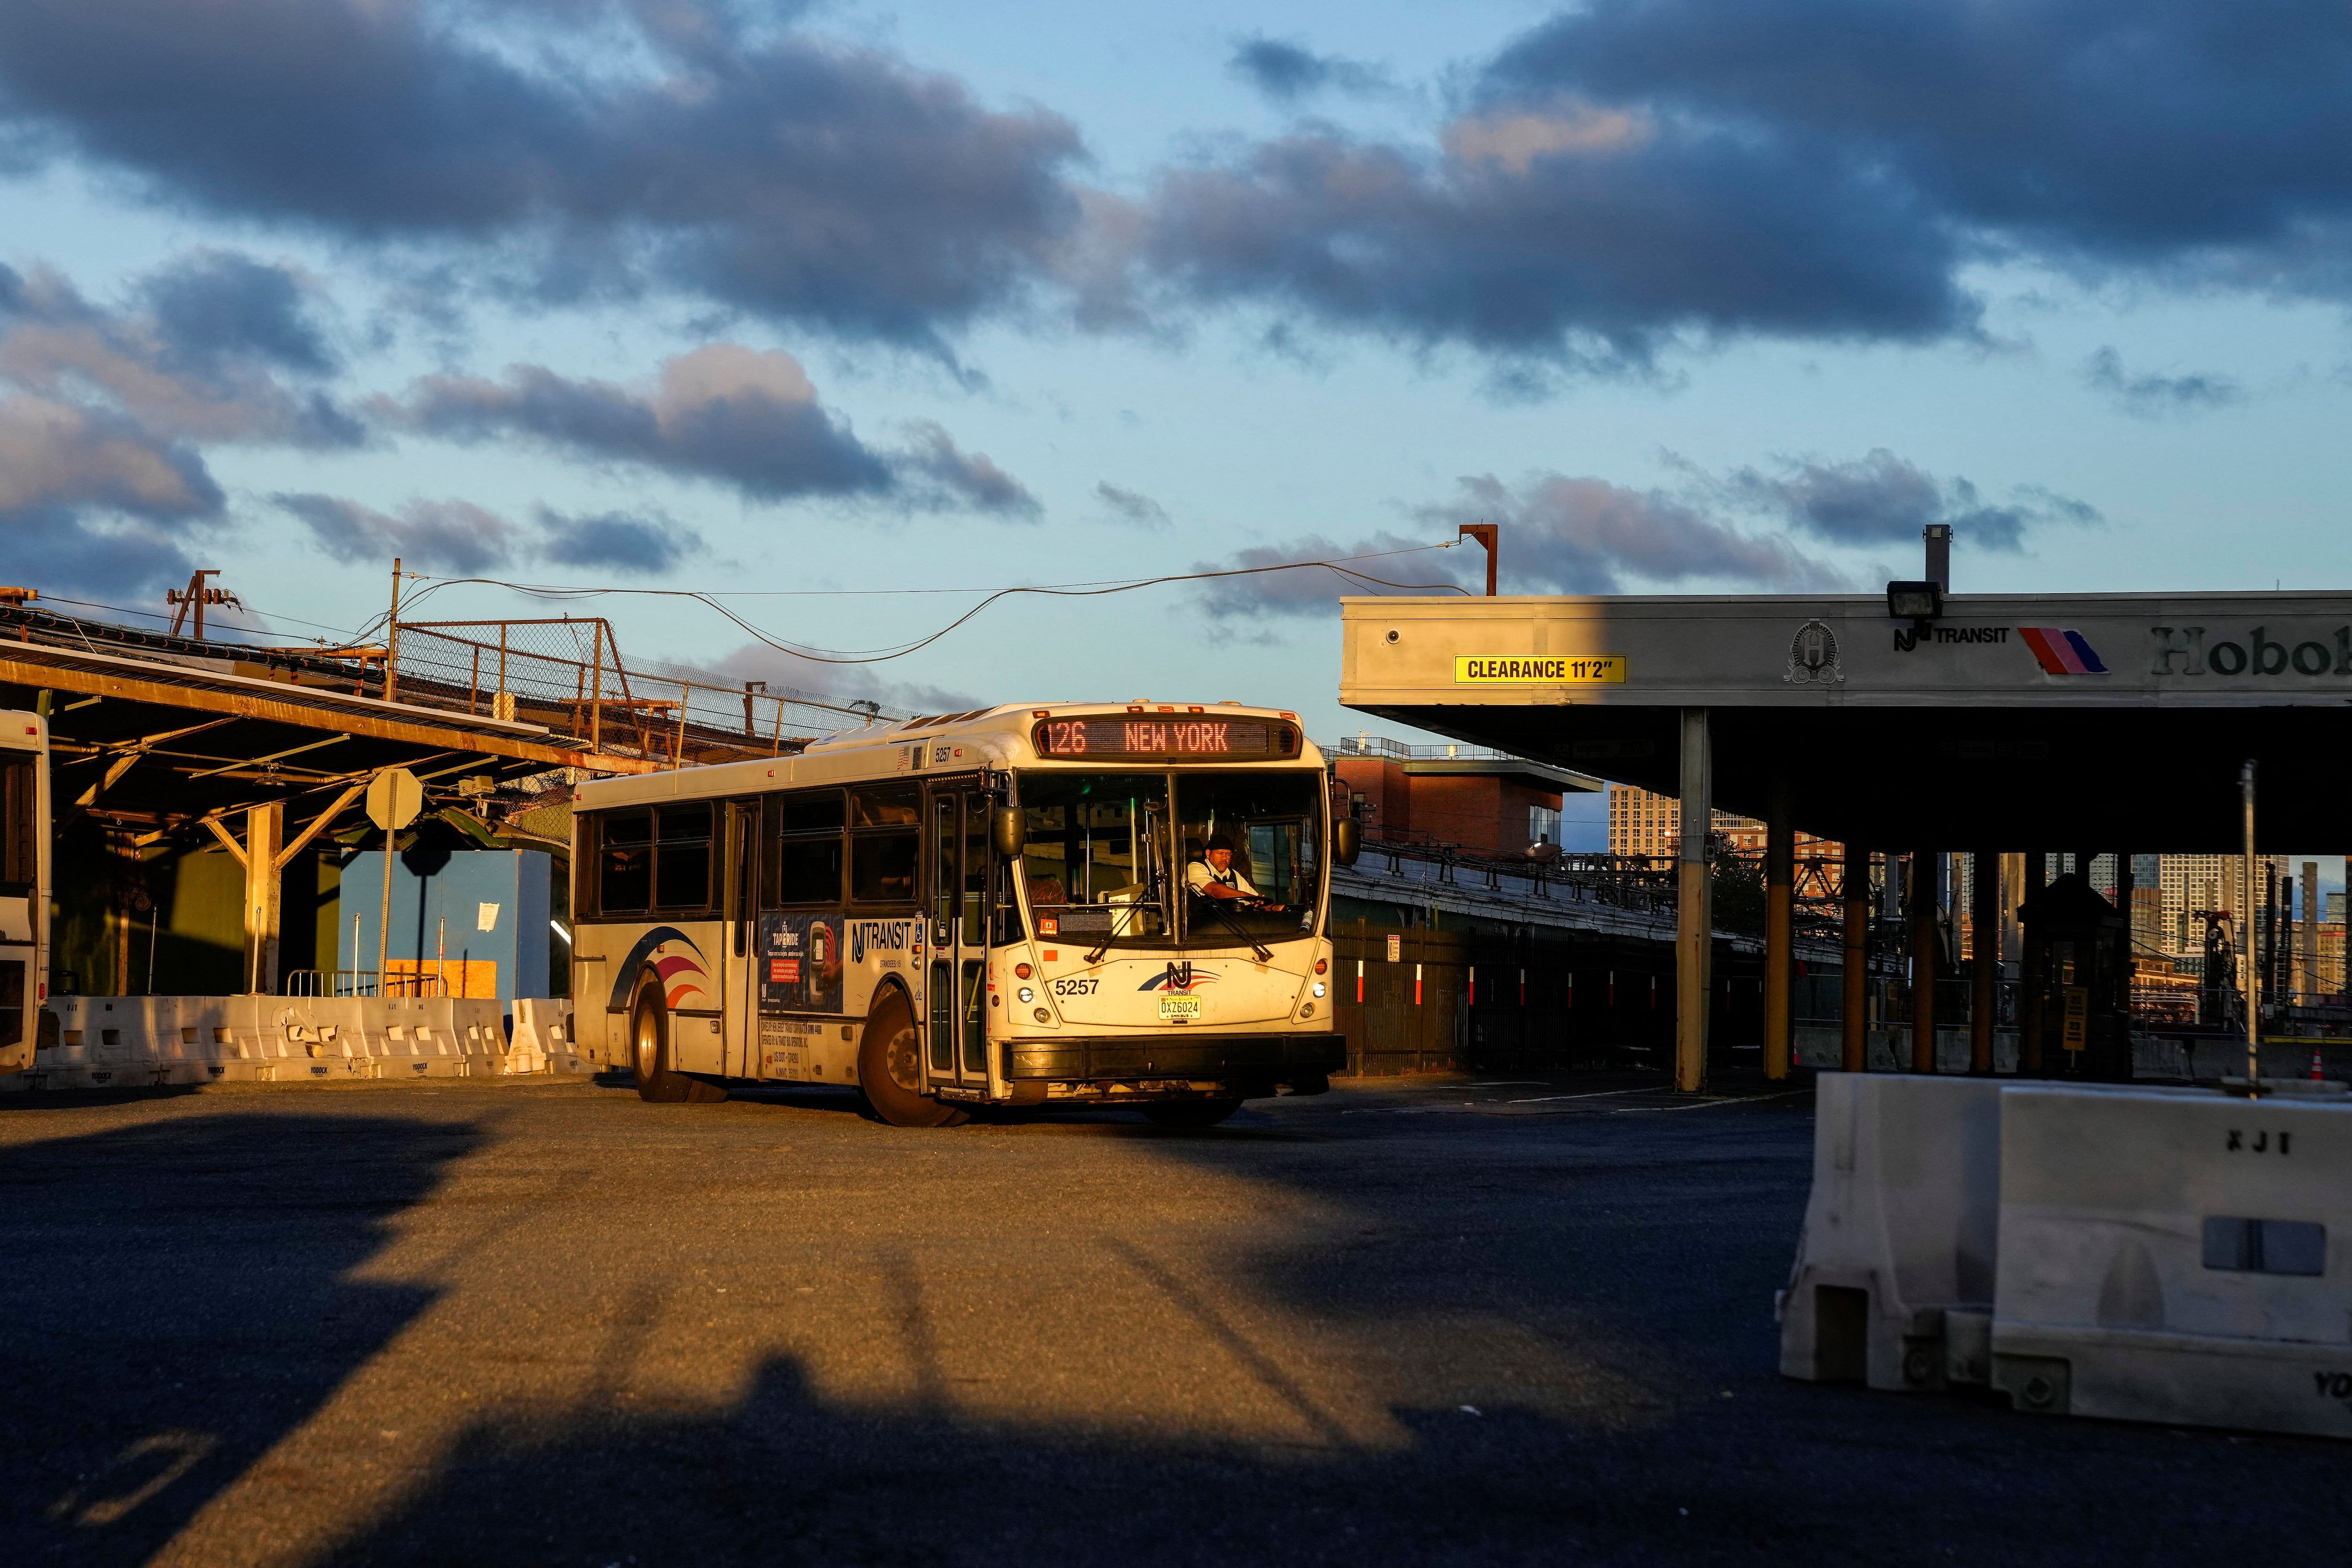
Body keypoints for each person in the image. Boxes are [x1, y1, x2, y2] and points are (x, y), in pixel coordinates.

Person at [1185, 833, 1263, 905]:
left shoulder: (1234, 875)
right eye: (1220, 854)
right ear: (1208, 853)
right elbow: (1215, 891)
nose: (1224, 858)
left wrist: (1266, 904)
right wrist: (1247, 896)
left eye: (1228, 854)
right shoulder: (1194, 868)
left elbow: (1254, 897)